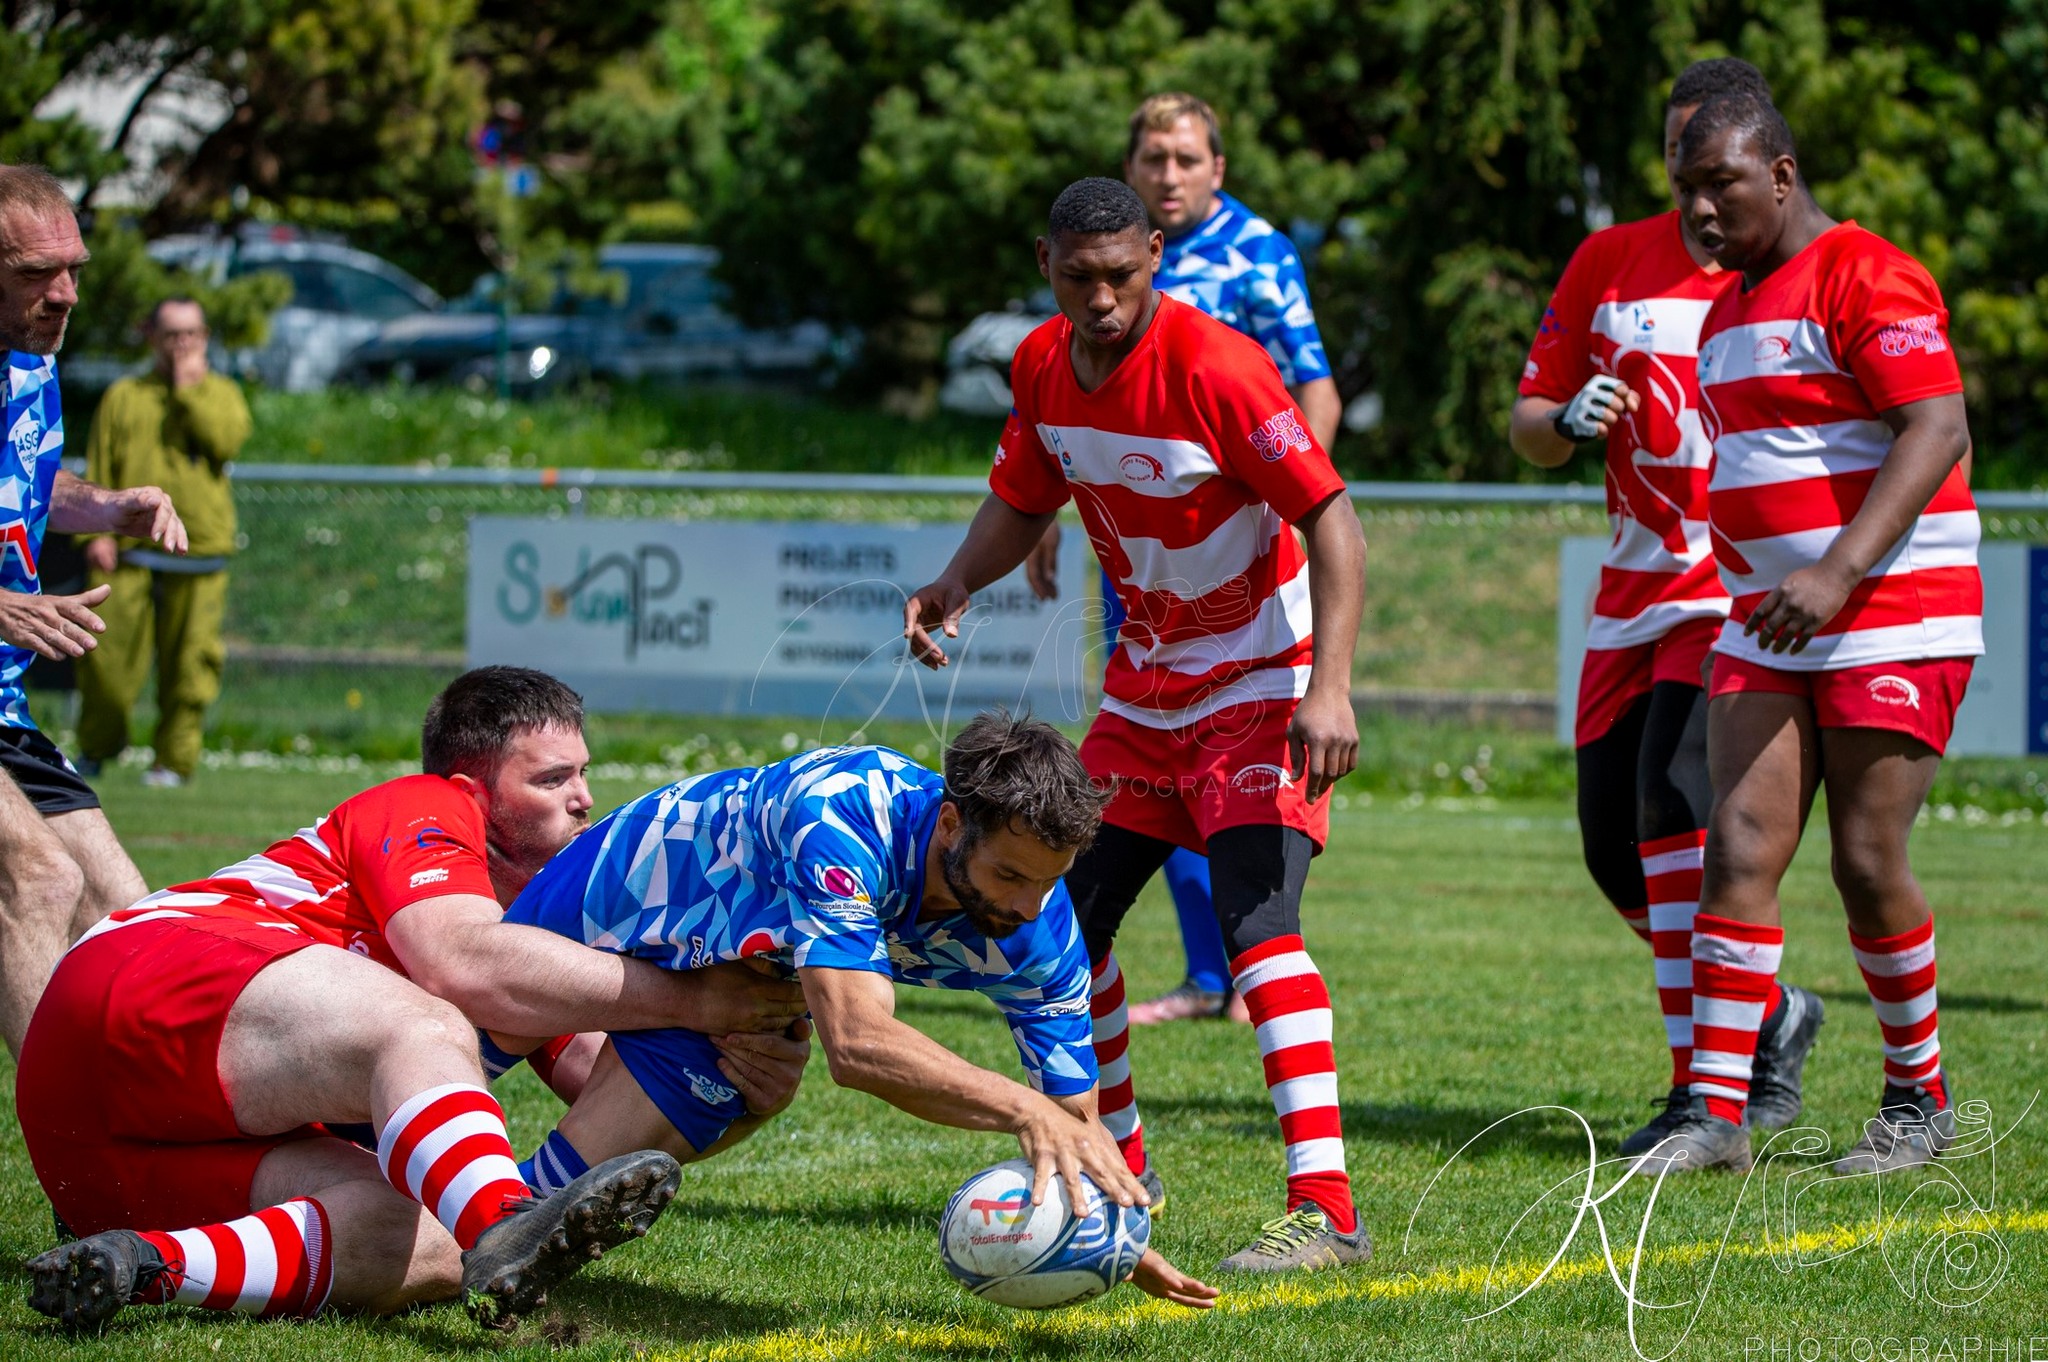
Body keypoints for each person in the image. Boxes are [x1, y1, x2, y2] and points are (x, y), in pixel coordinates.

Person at [21, 667, 811, 1330]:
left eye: (583, 774)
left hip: (98, 1162)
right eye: (552, 778)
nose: (584, 799)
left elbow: (610, 1091)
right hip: (127, 983)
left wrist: (740, 1091)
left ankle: (141, 1264)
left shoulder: (533, 945)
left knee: (429, 1247)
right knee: (424, 1020)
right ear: (473, 789)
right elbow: (461, 962)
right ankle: (502, 1222)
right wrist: (696, 1002)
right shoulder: (427, 803)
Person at [905, 178, 1371, 1272]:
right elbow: (1026, 494)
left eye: (1121, 274)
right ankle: (1120, 1168)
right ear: (1045, 265)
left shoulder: (1217, 368)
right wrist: (955, 581)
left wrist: (1330, 688)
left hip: (1263, 683)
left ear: (1155, 255)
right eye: (1079, 277)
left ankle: (1327, 1212)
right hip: (1144, 693)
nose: (1102, 297)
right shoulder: (1039, 366)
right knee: (1065, 929)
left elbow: (1332, 519)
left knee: (1259, 934)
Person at [495, 708, 1217, 1309]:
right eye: (1009, 875)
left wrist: (1109, 1239)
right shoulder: (843, 812)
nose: (1028, 907)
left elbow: (1073, 1120)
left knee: (519, 1221)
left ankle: (490, 1225)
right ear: (949, 824)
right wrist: (1023, 1111)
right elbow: (858, 1044)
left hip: (729, 989)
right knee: (436, 1069)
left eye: (1047, 882)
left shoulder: (1043, 927)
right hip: (617, 901)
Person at [1646, 91, 1979, 1174]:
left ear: (1780, 176)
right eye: (1684, 189)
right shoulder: (1724, 310)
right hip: (1761, 626)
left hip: (1891, 613)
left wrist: (1836, 569)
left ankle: (1915, 1102)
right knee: (1734, 851)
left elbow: (1933, 425)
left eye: (1720, 185)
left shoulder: (1865, 274)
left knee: (1864, 857)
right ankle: (1713, 1114)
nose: (1698, 208)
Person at [1508, 61, 1824, 1158]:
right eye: (1675, 165)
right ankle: (1770, 1010)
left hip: (1721, 589)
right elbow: (1527, 424)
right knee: (1613, 849)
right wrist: (1565, 416)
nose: (1693, 196)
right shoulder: (1605, 259)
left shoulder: (1775, 267)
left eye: (1709, 166)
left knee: (1670, 802)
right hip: (1627, 591)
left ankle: (1705, 1088)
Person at [1030, 93, 1345, 1026]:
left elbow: (1310, 389)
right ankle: (1212, 976)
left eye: (1186, 158)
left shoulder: (1259, 257)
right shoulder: (1091, 256)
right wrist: (1043, 512)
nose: (1168, 174)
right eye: (1153, 158)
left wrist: (1306, 503)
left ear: (1217, 168)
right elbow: (1056, 430)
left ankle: (1246, 968)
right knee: (1146, 783)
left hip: (1241, 566)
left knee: (1223, 778)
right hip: (1143, 568)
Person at [0, 164, 190, 1057]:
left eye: (73, 266)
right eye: (36, 271)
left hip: (6, 709)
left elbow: (30, 486)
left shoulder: (31, 365)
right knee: (36, 879)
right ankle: (78, 1167)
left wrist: (105, 504)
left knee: (129, 924)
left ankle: (154, 1158)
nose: (65, 292)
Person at [77, 295, 252, 788]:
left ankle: (172, 763)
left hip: (198, 552)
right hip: (127, 552)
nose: (182, 345)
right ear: (150, 335)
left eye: (192, 334)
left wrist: (187, 388)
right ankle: (96, 748)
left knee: (190, 670)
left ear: (206, 338)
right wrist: (95, 533)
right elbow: (99, 466)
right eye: (172, 334)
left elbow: (225, 442)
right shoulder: (125, 395)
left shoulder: (221, 394)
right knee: (103, 660)